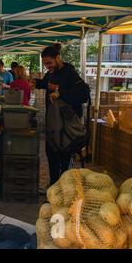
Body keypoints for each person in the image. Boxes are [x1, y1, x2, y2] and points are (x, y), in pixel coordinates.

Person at [33, 43, 90, 186]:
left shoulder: (70, 72)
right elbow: (46, 83)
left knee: (64, 161)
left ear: (58, 58)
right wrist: (35, 82)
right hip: (53, 126)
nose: (47, 66)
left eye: (49, 63)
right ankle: (53, 187)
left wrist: (61, 93)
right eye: (45, 64)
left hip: (67, 129)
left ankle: (64, 190)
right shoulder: (51, 73)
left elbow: (84, 94)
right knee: (51, 156)